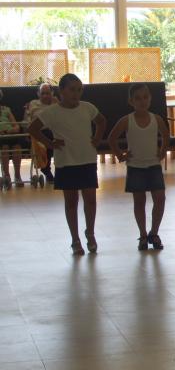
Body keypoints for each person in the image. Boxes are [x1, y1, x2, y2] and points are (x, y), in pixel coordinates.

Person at [28, 73, 107, 255]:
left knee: (90, 200)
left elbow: (101, 121)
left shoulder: (87, 107)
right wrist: (50, 144)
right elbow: (33, 128)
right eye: (72, 90)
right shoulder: (52, 112)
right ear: (61, 91)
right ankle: (75, 239)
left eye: (79, 90)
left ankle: (90, 233)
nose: (76, 94)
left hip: (87, 159)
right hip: (66, 161)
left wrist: (97, 138)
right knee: (71, 202)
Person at [108, 83, 170, 251]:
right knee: (139, 201)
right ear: (131, 101)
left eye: (145, 97)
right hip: (135, 167)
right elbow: (112, 138)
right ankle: (143, 234)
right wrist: (120, 155)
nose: (142, 101)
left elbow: (165, 135)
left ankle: (154, 232)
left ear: (150, 98)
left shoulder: (156, 119)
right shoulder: (127, 120)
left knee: (160, 199)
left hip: (153, 165)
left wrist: (162, 151)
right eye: (138, 98)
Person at [25, 83, 59, 183]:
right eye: (42, 93)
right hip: (38, 132)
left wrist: (57, 103)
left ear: (52, 93)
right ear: (38, 94)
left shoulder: (56, 104)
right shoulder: (33, 104)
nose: (45, 96)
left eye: (47, 93)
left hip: (55, 131)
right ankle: (46, 169)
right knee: (49, 135)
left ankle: (57, 171)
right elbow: (27, 120)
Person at [0, 89, 24, 188]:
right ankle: (7, 176)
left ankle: (17, 175)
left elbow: (16, 125)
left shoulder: (6, 109)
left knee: (17, 148)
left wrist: (13, 130)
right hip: (1, 137)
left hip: (10, 134)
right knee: (5, 148)